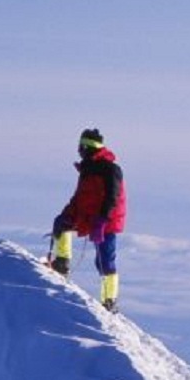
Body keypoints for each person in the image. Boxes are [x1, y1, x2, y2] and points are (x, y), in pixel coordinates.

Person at [48, 128, 127, 312]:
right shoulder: (87, 170)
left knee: (104, 260)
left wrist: (102, 219)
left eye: (80, 147)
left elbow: (112, 197)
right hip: (89, 215)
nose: (79, 151)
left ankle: (109, 300)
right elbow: (79, 198)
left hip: (106, 220)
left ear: (86, 147)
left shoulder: (110, 169)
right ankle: (62, 262)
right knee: (62, 224)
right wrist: (66, 214)